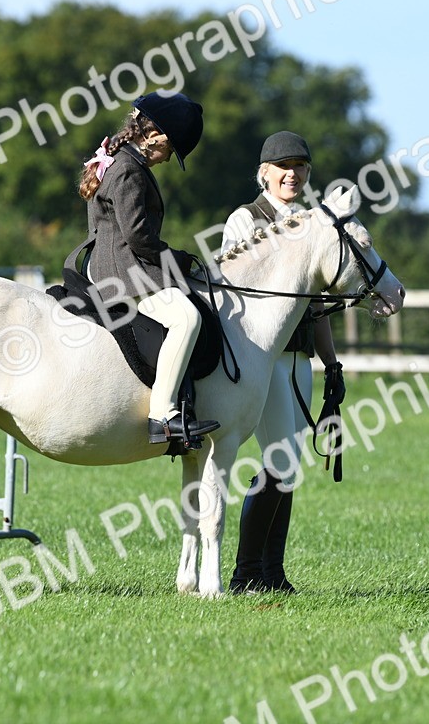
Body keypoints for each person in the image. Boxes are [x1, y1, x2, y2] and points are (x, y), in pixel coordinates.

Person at [221, 131, 344, 594]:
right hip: (261, 357)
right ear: (265, 172)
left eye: (301, 167)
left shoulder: (314, 223)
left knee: (288, 470)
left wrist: (331, 364)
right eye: (283, 166)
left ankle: (273, 573)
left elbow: (316, 303)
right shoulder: (244, 220)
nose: (292, 174)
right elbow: (232, 288)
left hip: (299, 358)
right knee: (281, 461)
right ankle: (245, 573)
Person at [78, 92, 220, 447]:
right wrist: (182, 260)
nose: (168, 158)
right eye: (170, 150)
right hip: (122, 272)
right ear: (154, 136)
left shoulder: (117, 159)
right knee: (187, 317)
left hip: (116, 264)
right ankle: (163, 415)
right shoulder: (128, 169)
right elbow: (140, 238)